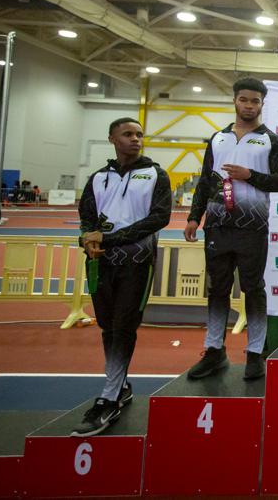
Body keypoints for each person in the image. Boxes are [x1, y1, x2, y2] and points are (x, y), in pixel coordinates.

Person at [184, 78, 278, 381]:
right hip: (217, 227)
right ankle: (214, 350)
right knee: (216, 289)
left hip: (252, 227)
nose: (249, 105)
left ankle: (256, 352)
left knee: (253, 289)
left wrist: (250, 175)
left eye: (255, 101)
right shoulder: (217, 138)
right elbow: (205, 181)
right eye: (244, 100)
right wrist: (195, 216)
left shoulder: (271, 140)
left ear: (262, 104)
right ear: (235, 101)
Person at [74, 118, 171, 436]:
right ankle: (121, 385)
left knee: (124, 325)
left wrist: (109, 239)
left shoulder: (156, 174)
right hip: (100, 264)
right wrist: (87, 239)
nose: (135, 139)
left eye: (140, 134)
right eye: (128, 134)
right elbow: (87, 216)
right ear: (112, 138)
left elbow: (159, 217)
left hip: (137, 263)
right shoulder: (97, 178)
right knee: (107, 326)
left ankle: (110, 396)